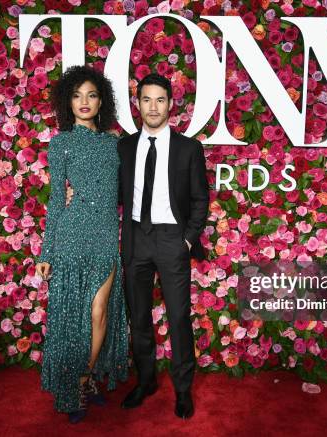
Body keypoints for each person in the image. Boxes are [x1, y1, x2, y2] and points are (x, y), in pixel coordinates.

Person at [35, 65, 128, 424]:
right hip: (71, 235)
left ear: (101, 99)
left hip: (105, 234)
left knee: (99, 311)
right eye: (76, 96)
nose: (84, 102)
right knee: (75, 317)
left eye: (91, 94)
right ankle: (77, 384)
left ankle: (85, 377)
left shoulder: (116, 144)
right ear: (67, 102)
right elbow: (57, 199)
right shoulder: (60, 144)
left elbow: (126, 192)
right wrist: (46, 252)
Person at [117, 73, 209, 419]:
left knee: (179, 317)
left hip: (173, 239)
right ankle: (145, 381)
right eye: (146, 100)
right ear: (137, 104)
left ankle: (183, 389)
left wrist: (186, 239)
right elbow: (116, 194)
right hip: (136, 238)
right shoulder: (123, 147)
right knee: (138, 318)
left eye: (160, 100)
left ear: (171, 105)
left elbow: (201, 199)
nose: (153, 107)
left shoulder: (188, 148)